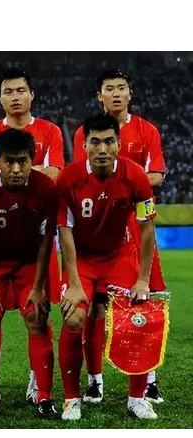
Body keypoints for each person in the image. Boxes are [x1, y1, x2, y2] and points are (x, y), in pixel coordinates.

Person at [72, 70, 166, 404]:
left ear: (130, 93)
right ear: (99, 95)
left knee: (146, 298)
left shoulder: (147, 131)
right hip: (100, 220)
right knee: (93, 308)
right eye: (109, 88)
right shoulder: (86, 132)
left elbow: (156, 175)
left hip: (136, 219)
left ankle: (148, 380)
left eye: (121, 88)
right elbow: (84, 174)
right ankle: (94, 380)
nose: (115, 93)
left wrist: (126, 181)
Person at [57, 114, 158, 421]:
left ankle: (137, 399)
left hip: (119, 256)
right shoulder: (68, 178)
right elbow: (65, 232)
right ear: (84, 146)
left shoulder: (135, 175)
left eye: (109, 142)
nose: (102, 149)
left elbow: (147, 229)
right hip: (83, 260)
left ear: (118, 144)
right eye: (95, 142)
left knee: (138, 318)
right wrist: (74, 283)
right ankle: (72, 399)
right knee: (74, 317)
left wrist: (143, 279)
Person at [0, 67, 64, 404]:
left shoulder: (50, 130)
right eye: (8, 91)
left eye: (21, 90)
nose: (15, 97)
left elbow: (54, 176)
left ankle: (39, 387)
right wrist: (27, 170)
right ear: (0, 98)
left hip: (32, 254)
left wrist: (19, 172)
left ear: (31, 94)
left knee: (38, 316)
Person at [0, 129, 59, 420]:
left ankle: (44, 396)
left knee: (37, 319)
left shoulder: (46, 188)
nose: (16, 169)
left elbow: (46, 240)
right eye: (9, 161)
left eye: (23, 161)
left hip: (30, 264)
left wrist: (39, 287)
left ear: (32, 160)